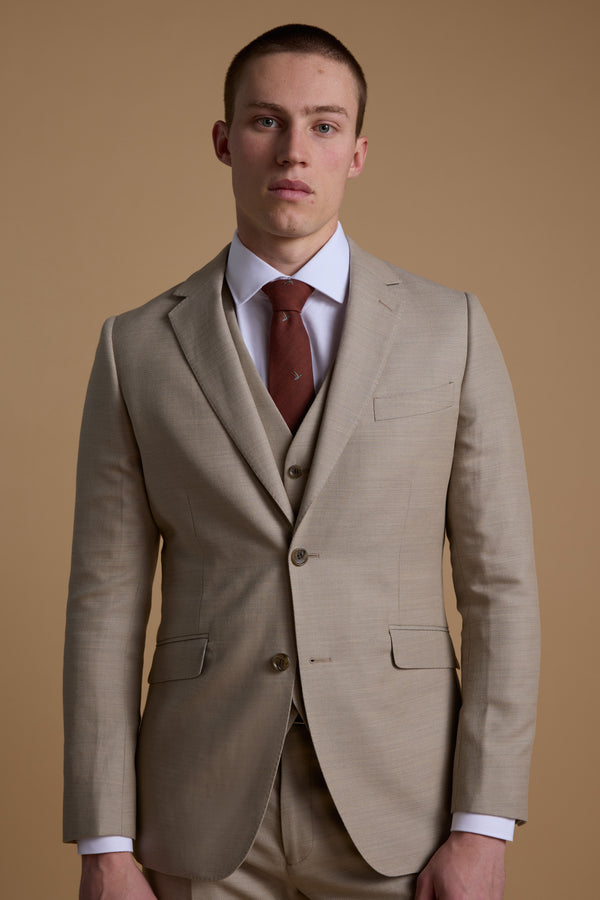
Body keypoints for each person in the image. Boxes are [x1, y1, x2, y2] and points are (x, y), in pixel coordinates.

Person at [63, 23, 540, 900]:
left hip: (404, 809)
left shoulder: (452, 330)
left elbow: (499, 588)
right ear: (223, 141)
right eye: (266, 121)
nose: (293, 150)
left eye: (324, 125)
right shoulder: (136, 348)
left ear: (357, 152)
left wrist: (483, 825)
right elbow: (105, 604)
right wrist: (105, 845)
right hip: (196, 812)